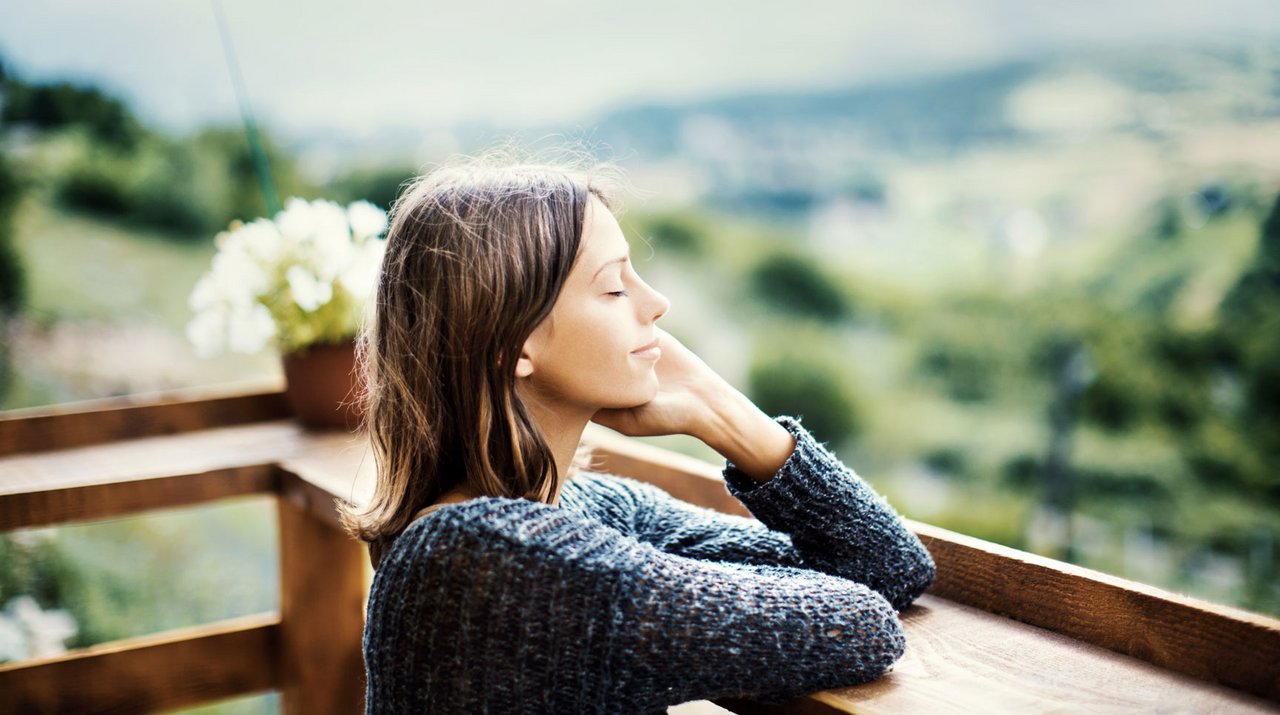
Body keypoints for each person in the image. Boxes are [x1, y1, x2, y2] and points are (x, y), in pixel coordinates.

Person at [338, 148, 936, 714]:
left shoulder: (586, 509)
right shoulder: (483, 558)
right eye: (614, 286)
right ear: (513, 344)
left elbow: (887, 567)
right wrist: (717, 403)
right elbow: (859, 625)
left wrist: (719, 412)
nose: (656, 303)